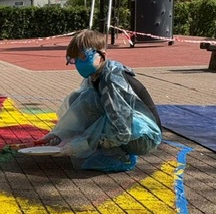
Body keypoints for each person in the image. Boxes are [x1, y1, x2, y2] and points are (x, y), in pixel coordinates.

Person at [28, 29, 162, 172]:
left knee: (105, 121)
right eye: (74, 59)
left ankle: (120, 156)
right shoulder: (96, 76)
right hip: (130, 129)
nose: (79, 63)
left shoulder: (112, 80)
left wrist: (83, 144)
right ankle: (107, 148)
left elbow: (123, 130)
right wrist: (59, 135)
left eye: (84, 57)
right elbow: (81, 108)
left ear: (102, 55)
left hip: (144, 137)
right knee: (78, 100)